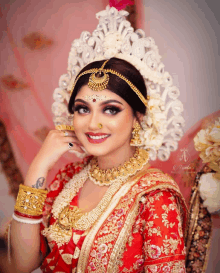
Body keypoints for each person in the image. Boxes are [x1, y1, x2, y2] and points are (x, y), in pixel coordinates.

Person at [9, 56, 188, 273]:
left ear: (136, 117)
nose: (93, 124)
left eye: (111, 109)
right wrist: (39, 166)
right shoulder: (70, 176)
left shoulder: (155, 197)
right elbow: (20, 265)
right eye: (83, 109)